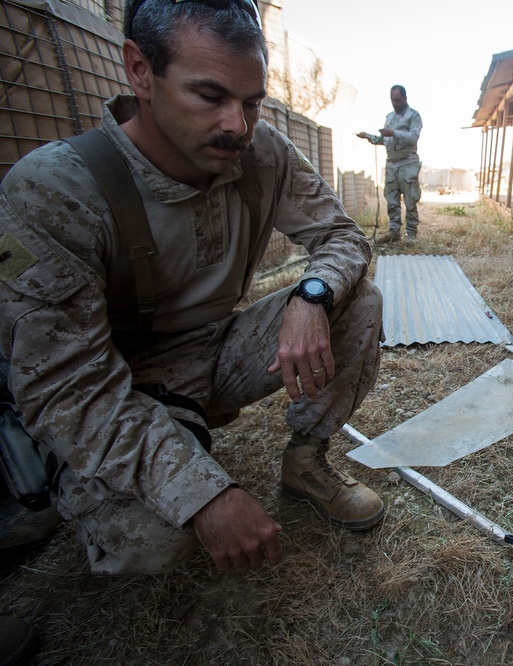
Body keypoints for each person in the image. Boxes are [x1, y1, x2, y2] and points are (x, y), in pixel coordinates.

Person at [0, 0, 385, 575]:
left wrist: (311, 297)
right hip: (120, 382)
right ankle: (67, 479)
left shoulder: (263, 154)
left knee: (359, 298)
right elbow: (65, 387)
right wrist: (202, 492)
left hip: (214, 351)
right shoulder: (55, 189)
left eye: (251, 102)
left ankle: (306, 463)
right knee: (150, 541)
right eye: (210, 96)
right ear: (139, 71)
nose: (238, 125)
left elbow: (342, 237)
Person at [356, 85, 423, 243]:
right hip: (392, 165)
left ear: (405, 98)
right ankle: (394, 233)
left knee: (410, 200)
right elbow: (384, 139)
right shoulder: (389, 117)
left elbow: (414, 137)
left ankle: (411, 234)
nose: (395, 103)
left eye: (398, 100)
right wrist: (369, 136)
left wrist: (393, 133)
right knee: (392, 201)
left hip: (408, 163)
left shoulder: (413, 115)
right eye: (392, 100)